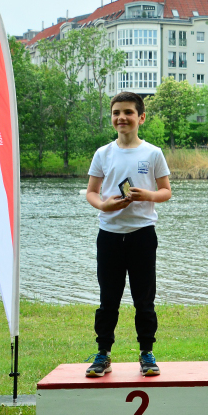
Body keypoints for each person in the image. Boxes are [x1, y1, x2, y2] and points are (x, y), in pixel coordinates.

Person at [83, 92, 172, 377]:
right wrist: (104, 205)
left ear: (141, 117)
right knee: (108, 299)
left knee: (144, 299)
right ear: (111, 117)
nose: (122, 117)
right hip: (109, 235)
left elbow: (166, 191)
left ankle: (147, 353)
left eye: (128, 112)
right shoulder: (103, 153)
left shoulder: (153, 153)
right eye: (116, 112)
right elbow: (92, 193)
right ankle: (103, 354)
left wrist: (148, 195)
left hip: (142, 235)